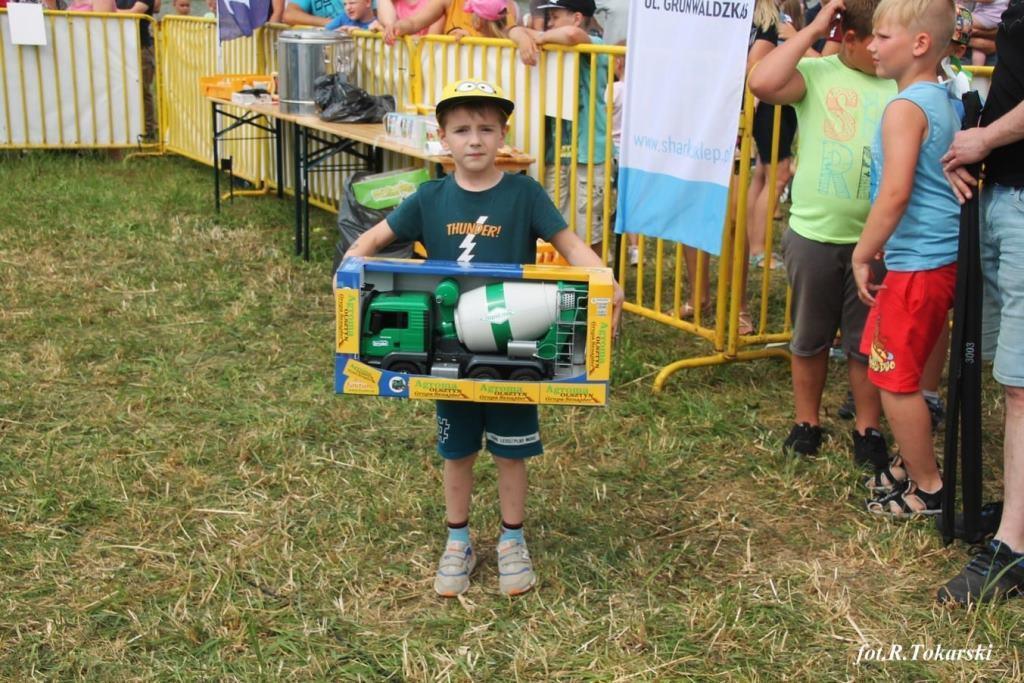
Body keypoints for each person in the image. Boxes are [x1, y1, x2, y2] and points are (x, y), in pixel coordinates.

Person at [342, 79, 624, 597]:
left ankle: (512, 539)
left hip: (513, 348)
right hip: (448, 353)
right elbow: (374, 239)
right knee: (457, 450)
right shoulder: (429, 197)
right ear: (442, 137)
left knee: (511, 450)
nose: (475, 140)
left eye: (486, 129)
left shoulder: (524, 194)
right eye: (462, 130)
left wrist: (606, 280)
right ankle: (458, 540)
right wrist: (349, 270)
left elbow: (569, 244)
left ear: (503, 135)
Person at [748, 0, 895, 462]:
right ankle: (806, 420)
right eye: (876, 40)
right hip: (813, 234)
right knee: (809, 337)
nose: (883, 50)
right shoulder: (817, 73)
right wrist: (811, 30)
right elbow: (761, 82)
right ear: (848, 39)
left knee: (865, 343)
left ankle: (868, 428)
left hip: (876, 241)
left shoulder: (899, 82)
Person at [850, 0, 960, 516]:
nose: (871, 46)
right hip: (929, 258)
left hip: (919, 261)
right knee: (892, 366)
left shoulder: (905, 108)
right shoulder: (943, 98)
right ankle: (911, 464)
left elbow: (895, 193)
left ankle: (928, 487)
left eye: (882, 36)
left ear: (920, 44)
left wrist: (862, 251)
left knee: (894, 380)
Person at [938, 0, 1024, 605]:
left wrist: (984, 139)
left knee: (1021, 385)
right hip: (1003, 195)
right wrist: (973, 152)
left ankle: (1013, 548)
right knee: (1011, 378)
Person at [511, 0, 610, 256]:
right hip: (555, 152)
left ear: (577, 18)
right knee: (554, 226)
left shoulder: (595, 44)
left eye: (555, 17)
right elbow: (514, 30)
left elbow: (573, 35)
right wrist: (521, 36)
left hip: (588, 155)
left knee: (588, 228)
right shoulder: (553, 46)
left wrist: (535, 37)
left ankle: (596, 275)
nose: (549, 23)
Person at [116, 0, 157, 140]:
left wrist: (110, 12)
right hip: (120, 46)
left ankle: (148, 130)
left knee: (142, 90)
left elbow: (135, 12)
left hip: (141, 47)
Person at [383, 0, 515, 41]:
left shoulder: (501, 5)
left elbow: (507, 36)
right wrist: (397, 27)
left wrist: (470, 42)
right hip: (452, 76)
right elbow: (413, 23)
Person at [376, 0, 445, 37]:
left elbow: (431, 43)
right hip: (400, 53)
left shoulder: (436, 3)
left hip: (424, 54)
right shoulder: (390, 3)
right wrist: (390, 28)